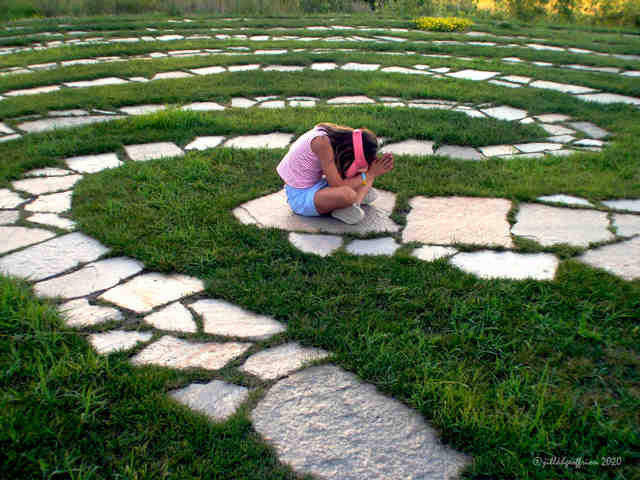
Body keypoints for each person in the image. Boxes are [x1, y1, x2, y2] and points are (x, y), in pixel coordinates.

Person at [276, 123, 394, 224]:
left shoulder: (331, 135)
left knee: (366, 175)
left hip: (317, 184)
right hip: (300, 197)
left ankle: (350, 205)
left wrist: (369, 171)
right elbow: (337, 186)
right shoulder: (322, 143)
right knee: (349, 193)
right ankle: (352, 203)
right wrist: (370, 175)